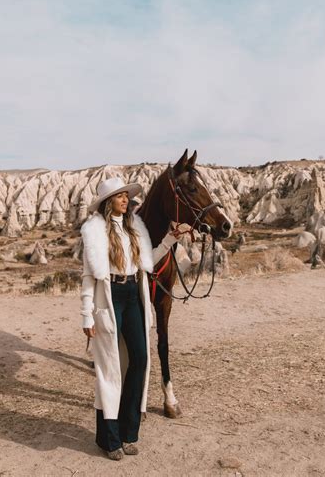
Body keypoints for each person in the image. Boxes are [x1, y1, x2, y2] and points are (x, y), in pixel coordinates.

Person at [80, 177, 185, 460]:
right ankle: (109, 439)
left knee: (139, 360)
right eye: (119, 197)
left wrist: (170, 239)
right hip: (109, 296)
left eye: (126, 196)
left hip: (132, 294)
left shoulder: (134, 228)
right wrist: (87, 315)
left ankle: (129, 433)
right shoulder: (94, 231)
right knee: (110, 369)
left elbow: (147, 261)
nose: (126, 200)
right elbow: (89, 276)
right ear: (107, 202)